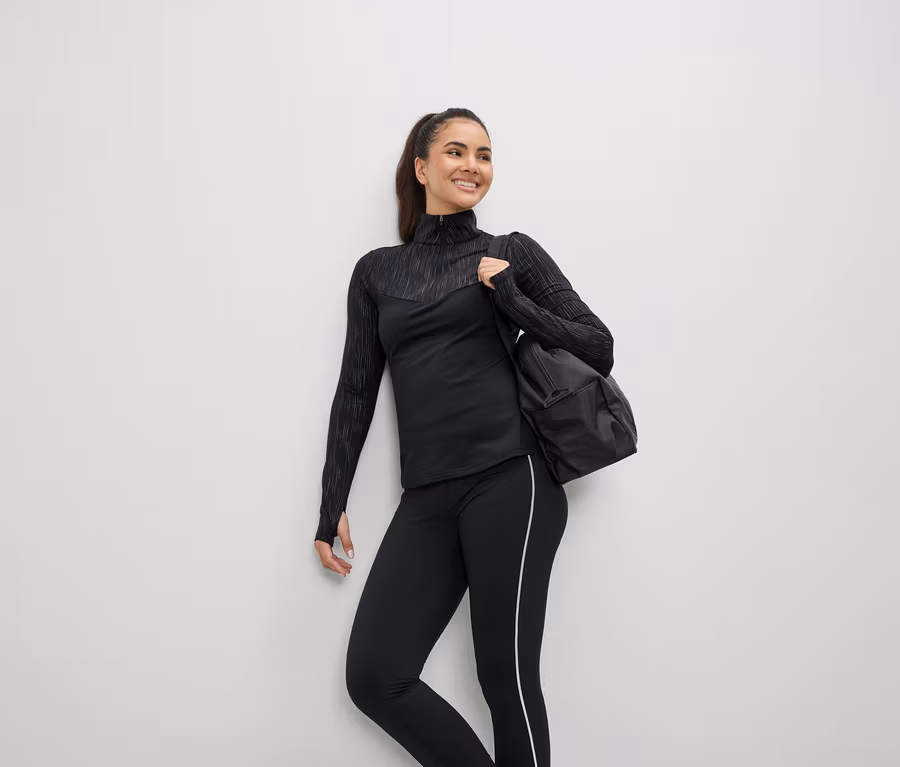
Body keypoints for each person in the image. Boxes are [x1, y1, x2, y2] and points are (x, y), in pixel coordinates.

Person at [312, 107, 614, 767]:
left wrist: (511, 298)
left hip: (511, 478)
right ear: (422, 167)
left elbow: (599, 346)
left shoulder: (509, 252)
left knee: (504, 676)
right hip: (426, 496)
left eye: (483, 154)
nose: (472, 166)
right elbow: (356, 390)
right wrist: (332, 501)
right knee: (376, 675)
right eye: (456, 151)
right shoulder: (376, 272)